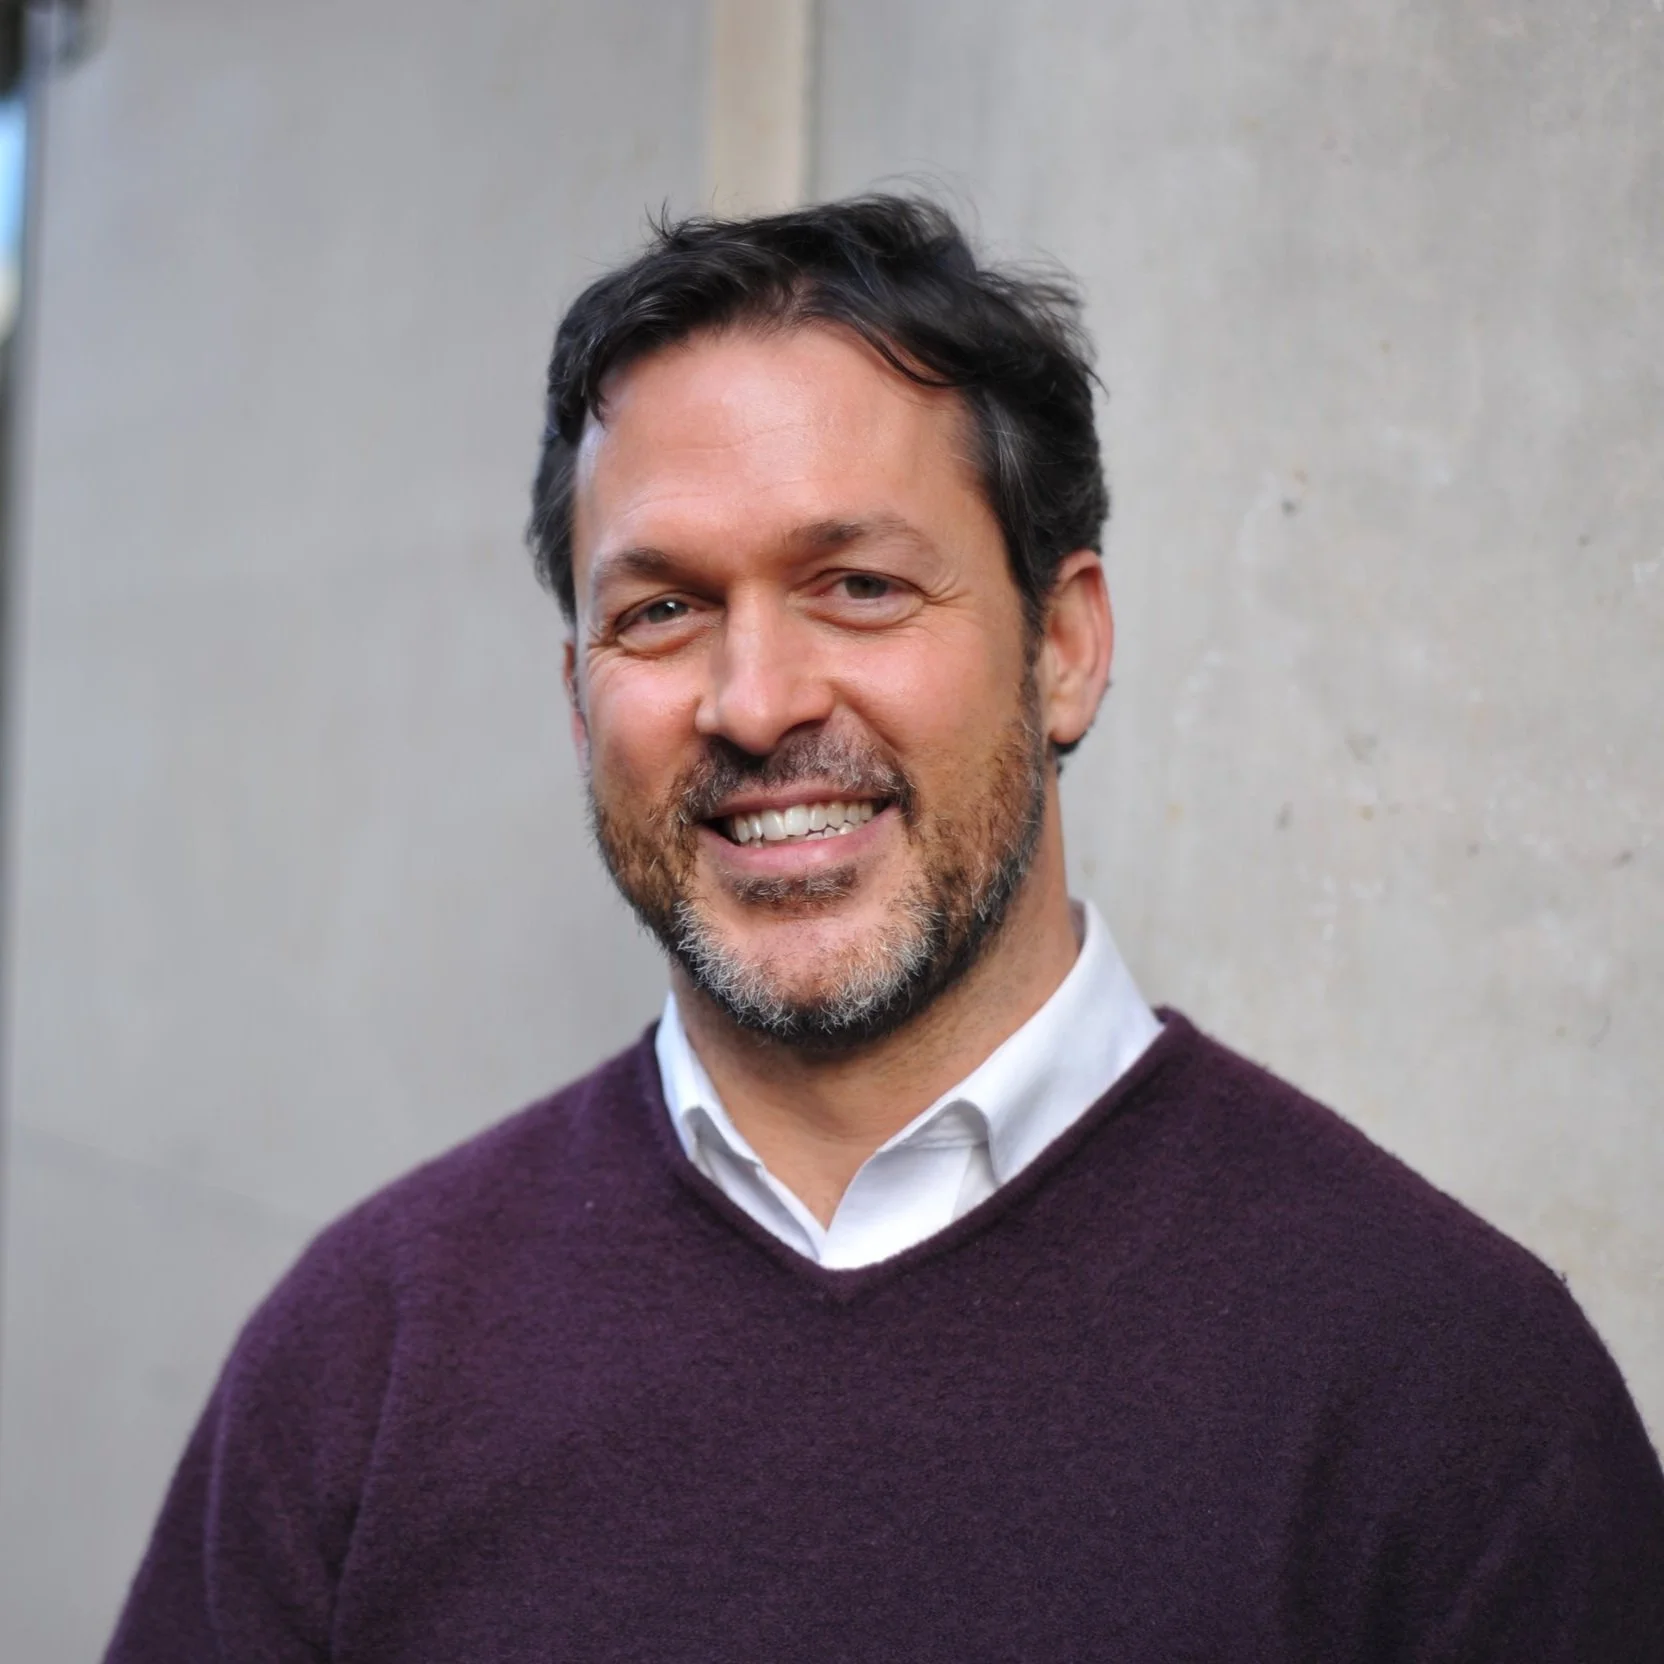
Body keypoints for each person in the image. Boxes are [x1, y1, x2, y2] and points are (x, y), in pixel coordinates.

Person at [106, 196, 1664, 1662]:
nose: (758, 700)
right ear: (580, 698)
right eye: (658, 610)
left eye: (856, 584)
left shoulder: (1454, 1396)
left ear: (1063, 648)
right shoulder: (360, 1364)